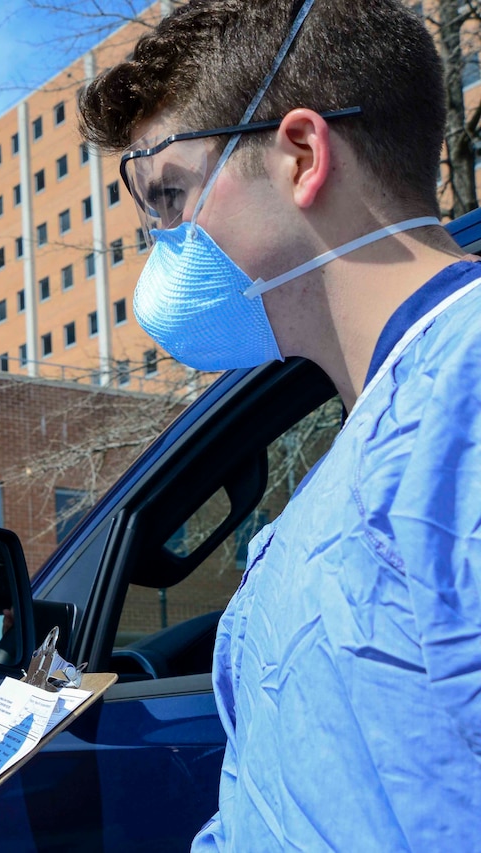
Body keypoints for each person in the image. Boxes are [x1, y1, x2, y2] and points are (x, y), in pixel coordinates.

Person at [80, 0, 481, 848]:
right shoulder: (385, 432)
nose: (161, 243)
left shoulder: (462, 393)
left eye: (171, 195)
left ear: (302, 153)